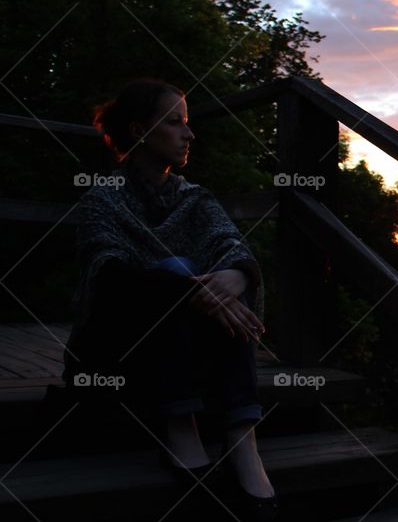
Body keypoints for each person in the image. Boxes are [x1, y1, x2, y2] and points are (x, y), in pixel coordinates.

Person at [62, 78, 277, 518]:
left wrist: (237, 274)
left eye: (188, 123)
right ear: (141, 130)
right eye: (176, 123)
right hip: (117, 351)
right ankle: (182, 426)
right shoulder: (102, 200)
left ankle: (242, 440)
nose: (189, 134)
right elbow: (109, 279)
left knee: (219, 280)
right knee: (175, 273)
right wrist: (189, 290)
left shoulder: (195, 199)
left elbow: (230, 243)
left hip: (193, 347)